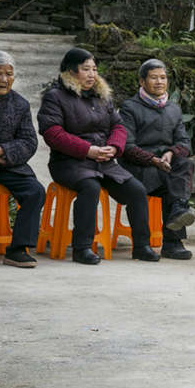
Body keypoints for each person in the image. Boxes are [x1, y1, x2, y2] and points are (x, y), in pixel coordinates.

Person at [37, 48, 159, 265]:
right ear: (71, 71)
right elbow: (53, 134)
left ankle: (141, 246)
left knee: (136, 190)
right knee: (90, 187)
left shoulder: (101, 96)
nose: (92, 74)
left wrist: (114, 147)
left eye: (94, 69)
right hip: (69, 162)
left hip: (104, 161)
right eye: (86, 69)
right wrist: (87, 150)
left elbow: (118, 126)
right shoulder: (55, 97)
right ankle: (81, 248)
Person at [119, 59, 195, 260]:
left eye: (163, 77)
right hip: (139, 166)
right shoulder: (129, 107)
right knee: (172, 181)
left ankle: (173, 238)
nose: (159, 82)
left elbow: (184, 142)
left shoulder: (173, 109)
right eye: (154, 77)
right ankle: (147, 244)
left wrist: (170, 153)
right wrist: (153, 160)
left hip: (165, 164)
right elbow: (127, 147)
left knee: (184, 165)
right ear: (142, 81)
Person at [0, 51, 46, 267]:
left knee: (35, 191)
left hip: (8, 164)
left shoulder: (20, 104)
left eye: (9, 74)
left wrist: (2, 152)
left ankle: (17, 250)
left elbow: (29, 141)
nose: (5, 80)